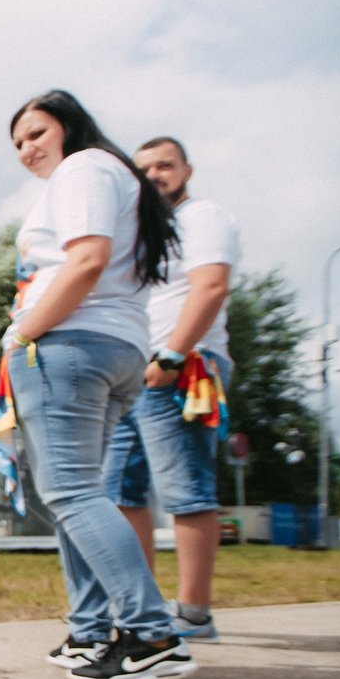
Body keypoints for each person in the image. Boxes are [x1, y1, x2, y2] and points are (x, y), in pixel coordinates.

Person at [2, 89, 195, 679]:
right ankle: (90, 631)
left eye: (35, 134)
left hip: (70, 344)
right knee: (79, 495)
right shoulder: (117, 179)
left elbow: (85, 262)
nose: (26, 149)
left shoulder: (84, 168)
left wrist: (21, 333)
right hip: (115, 348)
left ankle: (151, 633)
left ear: (68, 127)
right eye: (17, 144)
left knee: (71, 493)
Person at [102, 137, 240, 642]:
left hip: (182, 369)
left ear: (187, 169)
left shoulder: (202, 218)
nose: (155, 174)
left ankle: (195, 614)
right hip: (135, 371)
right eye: (144, 168)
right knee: (120, 491)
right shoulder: (144, 232)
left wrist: (173, 355)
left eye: (165, 165)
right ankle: (147, 607)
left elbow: (210, 287)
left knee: (185, 491)